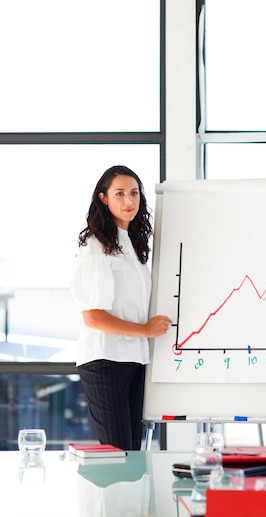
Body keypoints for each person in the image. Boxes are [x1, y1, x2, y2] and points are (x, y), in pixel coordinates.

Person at [70, 165, 172, 450]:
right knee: (118, 452)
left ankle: (130, 497)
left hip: (134, 359)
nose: (129, 201)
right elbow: (93, 316)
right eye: (120, 194)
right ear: (103, 198)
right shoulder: (94, 246)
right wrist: (144, 330)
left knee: (132, 453)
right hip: (106, 359)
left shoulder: (132, 246)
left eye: (134, 193)